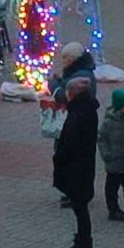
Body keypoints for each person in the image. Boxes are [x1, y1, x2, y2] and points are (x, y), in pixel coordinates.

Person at [53, 75, 100, 248]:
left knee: (80, 209)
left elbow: (70, 143)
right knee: (79, 208)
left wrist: (59, 157)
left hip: (77, 169)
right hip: (83, 167)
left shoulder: (78, 114)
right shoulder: (87, 109)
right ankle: (80, 242)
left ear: (72, 94)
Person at [47, 41, 97, 207]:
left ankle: (76, 192)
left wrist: (54, 86)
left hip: (75, 122)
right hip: (75, 120)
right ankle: (72, 191)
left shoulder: (82, 76)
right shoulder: (80, 71)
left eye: (66, 58)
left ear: (74, 59)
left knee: (73, 159)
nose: (63, 61)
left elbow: (65, 95)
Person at [97, 89, 124, 221]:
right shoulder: (108, 123)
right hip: (114, 161)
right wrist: (107, 155)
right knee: (112, 187)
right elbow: (102, 139)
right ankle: (113, 209)